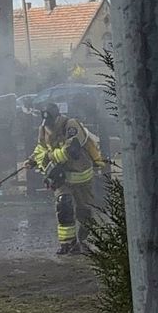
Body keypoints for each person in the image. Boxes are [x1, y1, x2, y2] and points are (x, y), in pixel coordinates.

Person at [27, 101, 104, 254]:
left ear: (57, 117)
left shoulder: (71, 125)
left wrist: (48, 157)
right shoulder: (43, 128)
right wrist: (32, 159)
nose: (48, 126)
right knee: (64, 206)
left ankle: (84, 241)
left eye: (50, 122)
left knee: (85, 211)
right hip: (62, 178)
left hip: (81, 175)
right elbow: (41, 147)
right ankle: (68, 243)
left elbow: (71, 150)